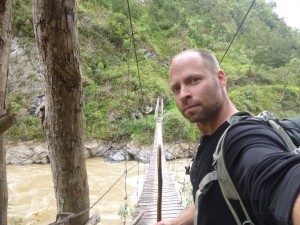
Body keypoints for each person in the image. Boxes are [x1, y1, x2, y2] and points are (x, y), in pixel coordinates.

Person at [154, 49, 300, 225]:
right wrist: (175, 223)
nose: (183, 94)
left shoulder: (240, 139)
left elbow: (277, 179)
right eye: (176, 89)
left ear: (221, 78)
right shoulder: (209, 141)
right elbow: (208, 195)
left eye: (193, 80)